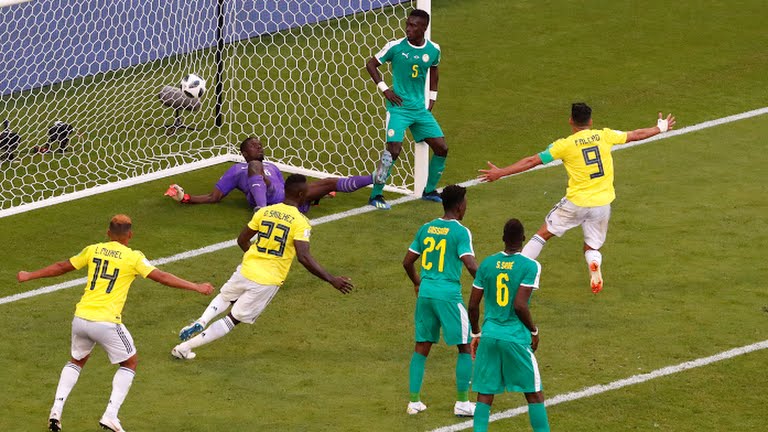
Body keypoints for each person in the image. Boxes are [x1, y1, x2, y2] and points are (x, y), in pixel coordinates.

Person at [16, 215, 214, 432]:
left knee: (77, 361)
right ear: (130, 235)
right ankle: (110, 416)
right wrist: (196, 286)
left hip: (81, 318)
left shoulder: (93, 250)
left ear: (108, 233)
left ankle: (56, 410)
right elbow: (162, 277)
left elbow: (62, 266)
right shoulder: (134, 257)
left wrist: (29, 275)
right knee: (130, 363)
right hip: (107, 322)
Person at [479, 103, 676, 293]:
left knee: (543, 234)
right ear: (590, 121)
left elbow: (532, 161)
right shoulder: (604, 135)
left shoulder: (564, 145)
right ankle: (594, 263)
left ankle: (515, 272)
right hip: (602, 203)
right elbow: (635, 135)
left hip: (576, 202)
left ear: (570, 121)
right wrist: (661, 128)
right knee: (591, 246)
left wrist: (501, 172)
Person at [171, 174, 353, 359]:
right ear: (301, 195)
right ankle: (184, 348)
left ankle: (202, 320)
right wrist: (332, 279)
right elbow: (304, 257)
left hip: (247, 268)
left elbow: (242, 240)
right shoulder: (300, 222)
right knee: (233, 318)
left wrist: (255, 257)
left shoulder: (265, 212)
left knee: (225, 297)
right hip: (267, 279)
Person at [402, 184, 478, 417]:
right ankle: (463, 403)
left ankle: (414, 402)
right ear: (459, 206)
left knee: (421, 346)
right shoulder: (461, 232)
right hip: (448, 296)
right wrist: (487, 285)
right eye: (465, 203)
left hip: (426, 294)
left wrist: (417, 283)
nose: (466, 207)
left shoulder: (426, 228)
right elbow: (470, 264)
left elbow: (407, 262)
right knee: (465, 346)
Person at [468, 218, 549, 432]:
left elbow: (473, 306)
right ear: (523, 239)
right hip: (515, 338)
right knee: (534, 393)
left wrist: (476, 334)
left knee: (485, 394)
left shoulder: (487, 264)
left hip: (489, 336)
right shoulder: (530, 266)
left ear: (503, 238)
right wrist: (534, 331)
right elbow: (520, 305)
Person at [165, 136, 383, 213]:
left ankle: (374, 178)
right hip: (266, 198)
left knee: (328, 182)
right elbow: (214, 197)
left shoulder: (272, 166)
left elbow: (283, 187)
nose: (259, 147)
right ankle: (261, 211)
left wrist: (312, 194)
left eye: (260, 145)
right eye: (254, 146)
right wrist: (186, 198)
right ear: (244, 153)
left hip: (286, 200)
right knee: (255, 168)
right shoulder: (238, 169)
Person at [365, 9, 447, 210]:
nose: (408, 28)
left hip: (420, 110)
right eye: (407, 24)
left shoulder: (433, 49)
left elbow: (434, 70)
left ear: (424, 28)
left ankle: (429, 191)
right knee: (393, 150)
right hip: (399, 109)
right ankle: (376, 195)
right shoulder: (395, 47)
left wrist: (432, 98)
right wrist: (385, 90)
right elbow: (371, 64)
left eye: (413, 25)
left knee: (441, 148)